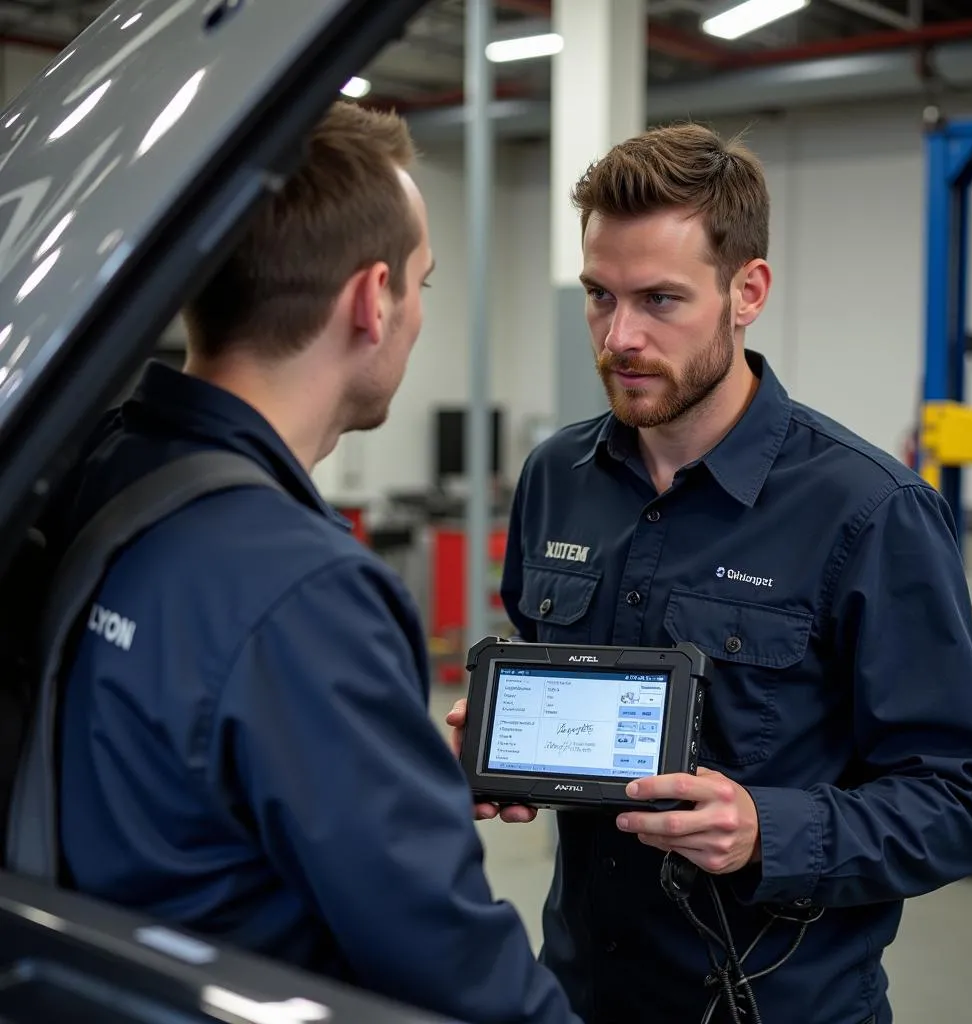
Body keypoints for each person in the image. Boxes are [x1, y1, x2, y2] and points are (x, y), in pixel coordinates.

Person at [448, 122, 972, 1024]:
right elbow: (543, 657)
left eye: (660, 300)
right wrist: (505, 738)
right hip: (579, 993)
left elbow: (963, 801)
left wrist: (767, 830)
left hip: (776, 1003)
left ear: (747, 290)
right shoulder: (555, 478)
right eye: (599, 295)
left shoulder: (869, 511)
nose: (619, 336)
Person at [51, 101, 580, 1024]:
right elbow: (449, 959)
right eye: (423, 284)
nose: (418, 315)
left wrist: (386, 759)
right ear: (372, 300)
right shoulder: (305, 590)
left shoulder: (98, 470)